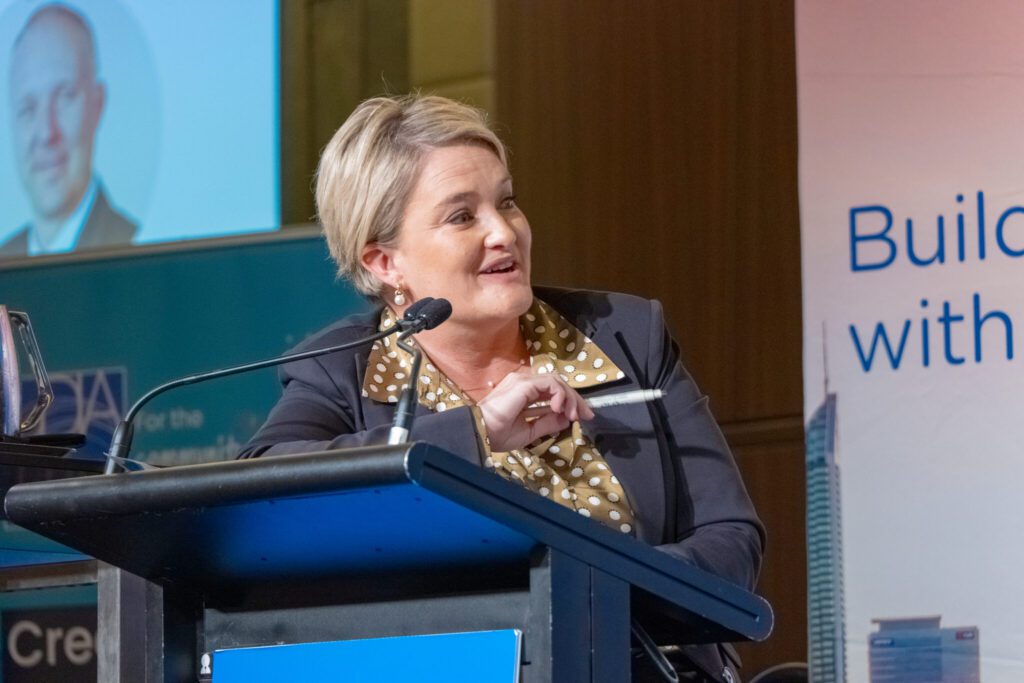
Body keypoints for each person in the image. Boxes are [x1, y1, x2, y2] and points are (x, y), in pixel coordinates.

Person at [239, 94, 764, 682]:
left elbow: (731, 539)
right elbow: (263, 486)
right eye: (462, 216)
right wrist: (477, 431)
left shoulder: (626, 335)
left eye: (507, 202)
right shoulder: (340, 372)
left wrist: (595, 590)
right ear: (385, 262)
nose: (503, 232)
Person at [1, 4, 137, 258]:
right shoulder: (6, 256)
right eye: (27, 109)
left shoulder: (136, 244)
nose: (46, 133)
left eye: (65, 96)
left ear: (98, 104)